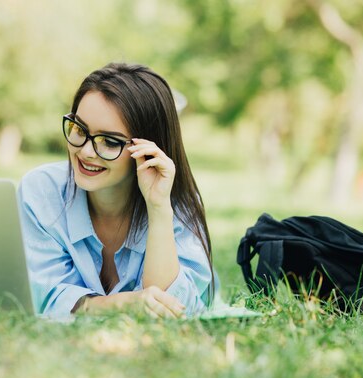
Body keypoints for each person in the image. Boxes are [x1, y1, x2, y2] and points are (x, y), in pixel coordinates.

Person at [18, 62, 217, 318]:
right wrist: (123, 304)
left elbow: (171, 308)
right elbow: (42, 297)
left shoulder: (175, 201)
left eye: (109, 142)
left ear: (147, 150)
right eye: (79, 129)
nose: (85, 152)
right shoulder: (41, 192)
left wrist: (158, 208)